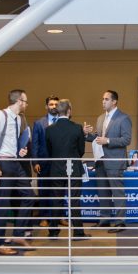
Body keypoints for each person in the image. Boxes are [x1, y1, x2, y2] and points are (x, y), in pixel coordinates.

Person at [0, 90, 35, 254]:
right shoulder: (0, 115)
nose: (27, 104)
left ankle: (18, 235)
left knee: (29, 196)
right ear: (19, 101)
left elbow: (11, 143)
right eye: (26, 101)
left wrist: (19, 152)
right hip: (3, 163)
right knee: (3, 202)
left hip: (14, 161)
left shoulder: (18, 119)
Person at [83, 90, 132, 233]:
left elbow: (126, 139)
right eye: (102, 99)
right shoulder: (100, 118)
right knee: (103, 192)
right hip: (100, 161)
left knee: (117, 193)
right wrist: (86, 134)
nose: (103, 101)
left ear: (114, 101)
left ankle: (120, 222)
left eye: (106, 99)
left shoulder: (124, 118)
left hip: (115, 162)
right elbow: (98, 138)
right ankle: (104, 220)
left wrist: (108, 141)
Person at [45, 98, 89, 240]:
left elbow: (49, 151)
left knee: (56, 200)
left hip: (56, 168)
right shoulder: (77, 128)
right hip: (73, 168)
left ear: (58, 111)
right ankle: (78, 233)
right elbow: (81, 150)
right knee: (74, 200)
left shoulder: (49, 130)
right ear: (69, 111)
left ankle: (53, 232)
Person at [31, 95, 60, 228]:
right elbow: (35, 144)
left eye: (56, 104)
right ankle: (44, 217)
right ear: (46, 106)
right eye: (51, 104)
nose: (54, 106)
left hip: (59, 163)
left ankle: (59, 218)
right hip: (43, 163)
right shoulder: (39, 123)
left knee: (59, 191)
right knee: (44, 190)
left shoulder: (63, 121)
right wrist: (35, 162)